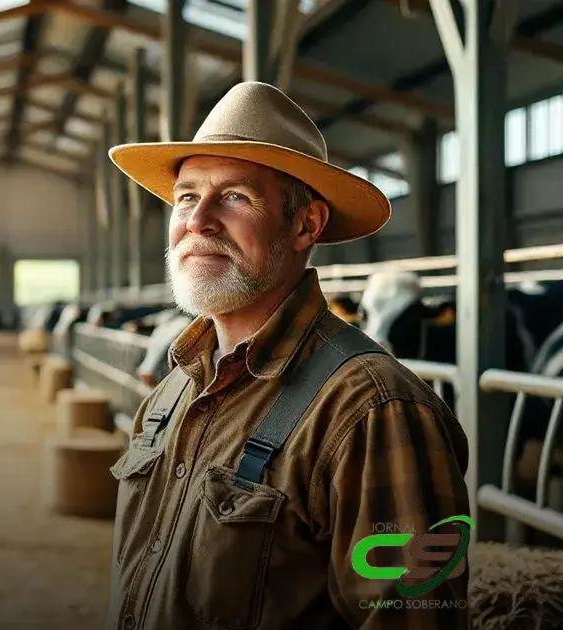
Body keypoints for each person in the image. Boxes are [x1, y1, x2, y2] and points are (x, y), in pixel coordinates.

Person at [103, 81, 471, 629]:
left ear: (306, 225)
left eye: (234, 197)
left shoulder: (372, 412)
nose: (198, 220)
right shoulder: (172, 390)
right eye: (186, 195)